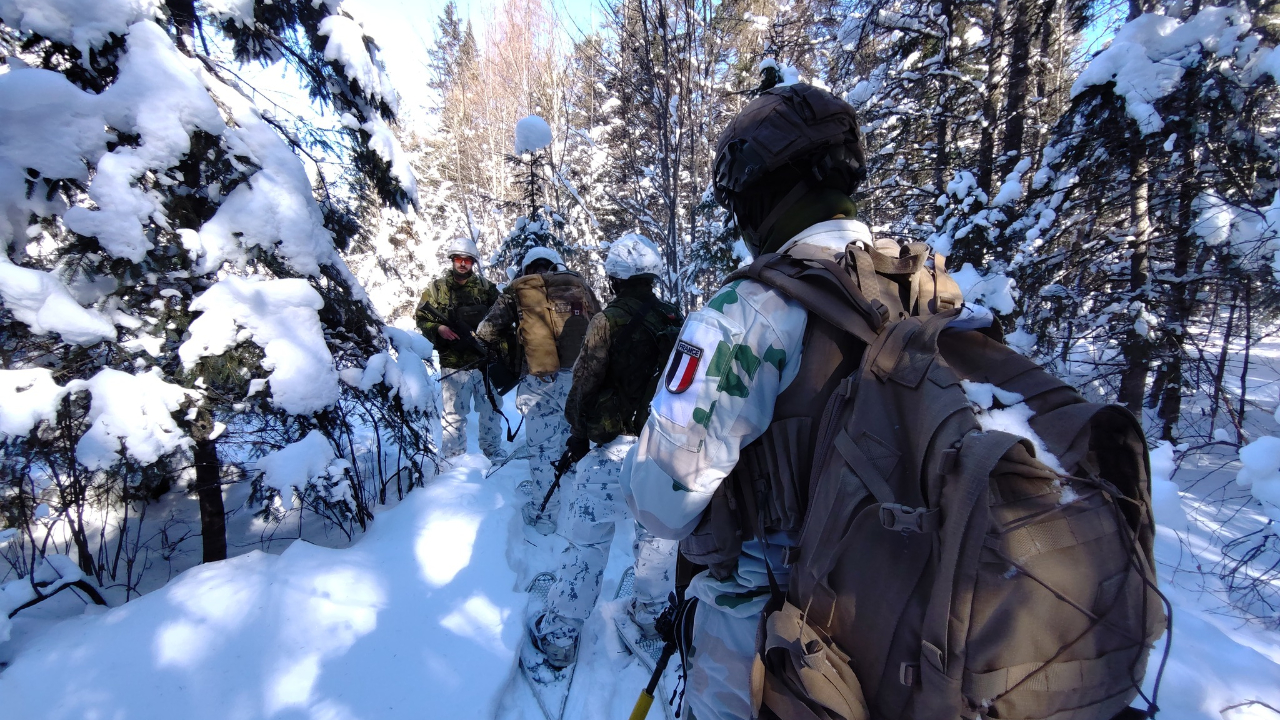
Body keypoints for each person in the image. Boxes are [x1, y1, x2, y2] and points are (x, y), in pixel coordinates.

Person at [621, 83, 895, 720]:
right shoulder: (924, 289)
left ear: (760, 191)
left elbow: (661, 504)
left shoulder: (750, 313)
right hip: (891, 628)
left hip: (764, 644)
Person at [526, 234, 683, 670]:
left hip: (613, 449)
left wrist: (577, 434)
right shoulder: (677, 319)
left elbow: (584, 381)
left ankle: (559, 634)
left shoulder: (607, 321)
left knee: (588, 543)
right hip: (661, 450)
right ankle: (651, 615)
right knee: (655, 540)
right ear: (650, 276)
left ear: (615, 277)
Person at [476, 246, 599, 534]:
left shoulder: (518, 288)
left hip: (538, 379)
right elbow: (600, 321)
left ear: (526, 268)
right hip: (576, 378)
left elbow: (486, 331)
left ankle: (545, 516)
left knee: (541, 449)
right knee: (576, 439)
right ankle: (580, 504)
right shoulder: (578, 284)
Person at [415, 237, 503, 462]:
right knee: (454, 415)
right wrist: (439, 328)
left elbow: (504, 315)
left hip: (484, 363)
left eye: (467, 260)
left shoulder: (486, 289)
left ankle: (492, 453)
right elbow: (421, 317)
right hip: (454, 363)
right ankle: (454, 458)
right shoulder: (436, 290)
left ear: (472, 263)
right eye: (458, 259)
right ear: (452, 260)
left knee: (491, 410)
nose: (463, 264)